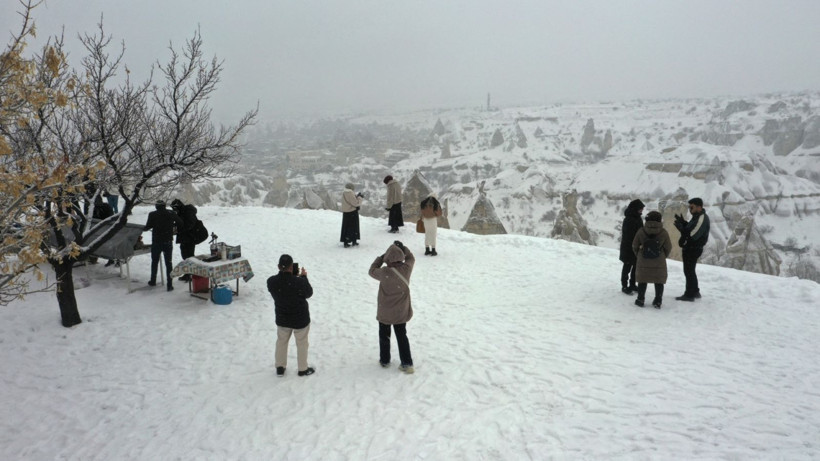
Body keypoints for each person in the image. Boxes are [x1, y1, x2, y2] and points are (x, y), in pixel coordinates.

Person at [368, 241, 415, 374]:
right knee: (402, 336)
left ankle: (385, 360)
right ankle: (407, 363)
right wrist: (404, 248)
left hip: (385, 312)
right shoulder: (406, 269)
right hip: (401, 312)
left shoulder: (384, 272)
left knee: (384, 336)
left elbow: (371, 270)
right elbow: (411, 258)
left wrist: (381, 258)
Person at [267, 254, 315, 378]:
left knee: (281, 342)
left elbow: (283, 286)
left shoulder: (271, 281)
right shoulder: (299, 282)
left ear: (278, 266)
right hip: (300, 319)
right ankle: (302, 369)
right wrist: (304, 278)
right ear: (291, 267)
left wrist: (292, 278)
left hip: (282, 318)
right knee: (302, 343)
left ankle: (280, 367)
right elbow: (309, 293)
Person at [631, 211, 672, 308]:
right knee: (659, 281)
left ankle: (640, 299)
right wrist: (662, 256)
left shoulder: (641, 231)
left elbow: (634, 245)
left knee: (642, 280)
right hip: (659, 261)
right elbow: (668, 247)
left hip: (643, 260)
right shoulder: (663, 232)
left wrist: (639, 255)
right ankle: (658, 301)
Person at [674, 197, 710, 301]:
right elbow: (690, 228)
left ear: (699, 207)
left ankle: (689, 295)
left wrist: (682, 228)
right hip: (691, 247)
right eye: (689, 207)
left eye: (692, 207)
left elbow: (693, 234)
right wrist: (684, 223)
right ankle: (695, 291)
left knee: (689, 271)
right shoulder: (696, 217)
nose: (690, 209)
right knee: (690, 270)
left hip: (693, 248)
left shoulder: (702, 218)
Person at [143, 199, 183, 291]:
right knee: (168, 263)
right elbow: (180, 223)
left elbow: (147, 227)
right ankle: (169, 285)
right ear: (164, 206)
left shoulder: (152, 214)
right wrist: (172, 226)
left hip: (156, 241)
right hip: (167, 241)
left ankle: (153, 280)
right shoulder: (171, 213)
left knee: (154, 262)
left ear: (156, 206)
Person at [619, 199, 645, 294]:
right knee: (627, 266)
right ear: (635, 208)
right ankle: (624, 286)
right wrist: (636, 242)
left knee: (635, 267)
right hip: (628, 247)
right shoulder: (629, 219)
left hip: (636, 247)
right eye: (640, 209)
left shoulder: (638, 218)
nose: (642, 210)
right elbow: (628, 235)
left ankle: (632, 284)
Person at [170, 199, 199, 281]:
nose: (174, 210)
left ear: (178, 206)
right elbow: (181, 223)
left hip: (190, 238)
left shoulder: (188, 212)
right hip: (184, 238)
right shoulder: (181, 212)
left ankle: (191, 274)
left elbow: (189, 224)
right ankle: (188, 273)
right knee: (185, 256)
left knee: (189, 256)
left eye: (174, 208)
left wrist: (179, 230)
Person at [340, 183, 364, 248]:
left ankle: (346, 241)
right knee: (354, 227)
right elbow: (356, 203)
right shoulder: (350, 193)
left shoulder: (344, 193)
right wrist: (360, 197)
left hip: (346, 212)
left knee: (346, 227)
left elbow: (349, 201)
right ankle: (354, 240)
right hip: (352, 212)